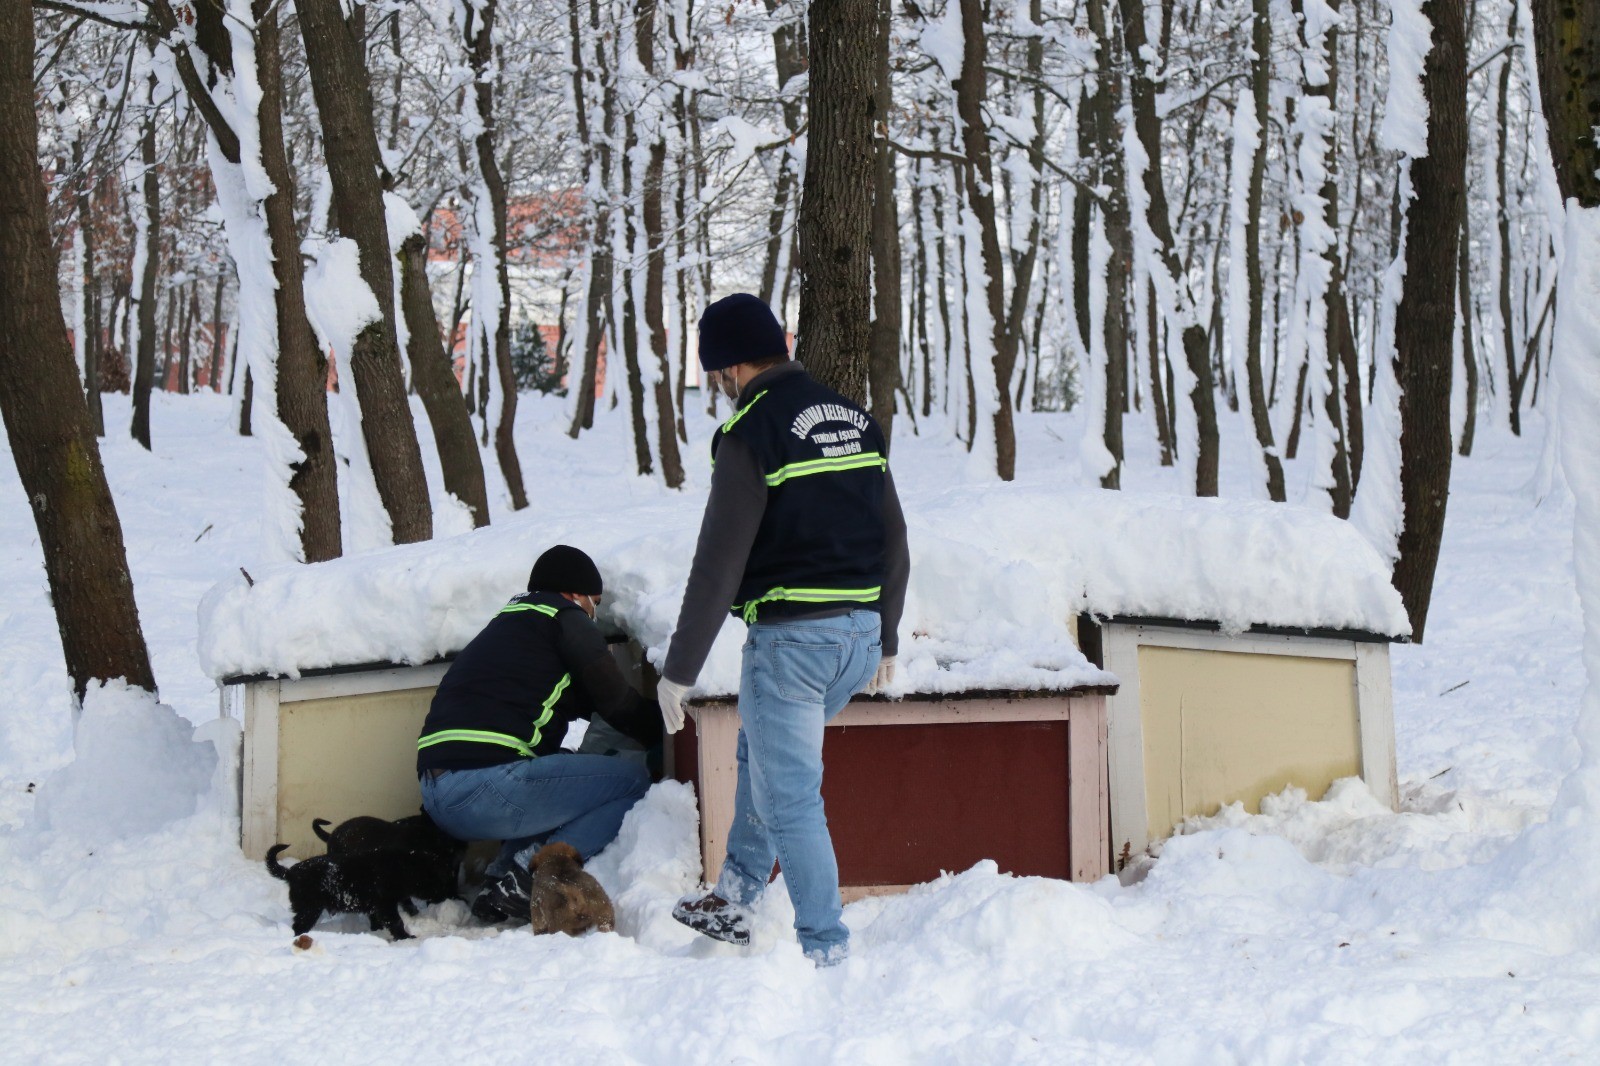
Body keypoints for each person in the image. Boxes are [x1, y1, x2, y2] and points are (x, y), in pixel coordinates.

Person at [659, 293, 910, 966]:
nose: (718, 384)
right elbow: (893, 535)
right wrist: (885, 634)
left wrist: (679, 669)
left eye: (716, 372)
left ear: (731, 367)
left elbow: (719, 562)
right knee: (761, 760)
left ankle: (825, 950)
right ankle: (736, 895)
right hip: (856, 638)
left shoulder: (752, 431)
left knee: (792, 795)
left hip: (794, 643)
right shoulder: (855, 420)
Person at [417, 544, 662, 923]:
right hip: (485, 787)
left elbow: (578, 698)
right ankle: (531, 881)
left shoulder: (508, 625)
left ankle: (501, 881)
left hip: (438, 795)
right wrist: (666, 733)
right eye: (593, 601)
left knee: (562, 770)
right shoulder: (565, 617)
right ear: (572, 594)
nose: (594, 612)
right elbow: (615, 702)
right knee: (634, 783)